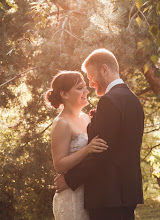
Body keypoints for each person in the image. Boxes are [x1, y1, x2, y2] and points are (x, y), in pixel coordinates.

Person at [54, 49, 144, 220]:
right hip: (127, 194)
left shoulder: (109, 101)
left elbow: (101, 151)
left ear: (104, 69)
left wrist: (69, 179)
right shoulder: (133, 100)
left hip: (107, 197)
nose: (90, 83)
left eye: (90, 76)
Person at [46, 71, 108, 220]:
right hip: (71, 197)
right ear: (64, 94)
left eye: (85, 87)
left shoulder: (86, 117)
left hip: (89, 193)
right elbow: (59, 165)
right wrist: (87, 149)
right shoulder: (61, 123)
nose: (86, 91)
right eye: (80, 88)